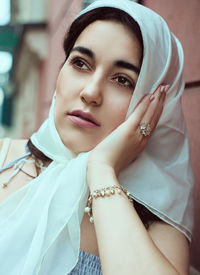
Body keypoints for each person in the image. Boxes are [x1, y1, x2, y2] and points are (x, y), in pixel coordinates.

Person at [0, 0, 194, 274]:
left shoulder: (155, 226)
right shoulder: (4, 161)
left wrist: (102, 170)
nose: (91, 92)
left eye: (122, 80)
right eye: (80, 63)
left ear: (156, 107)